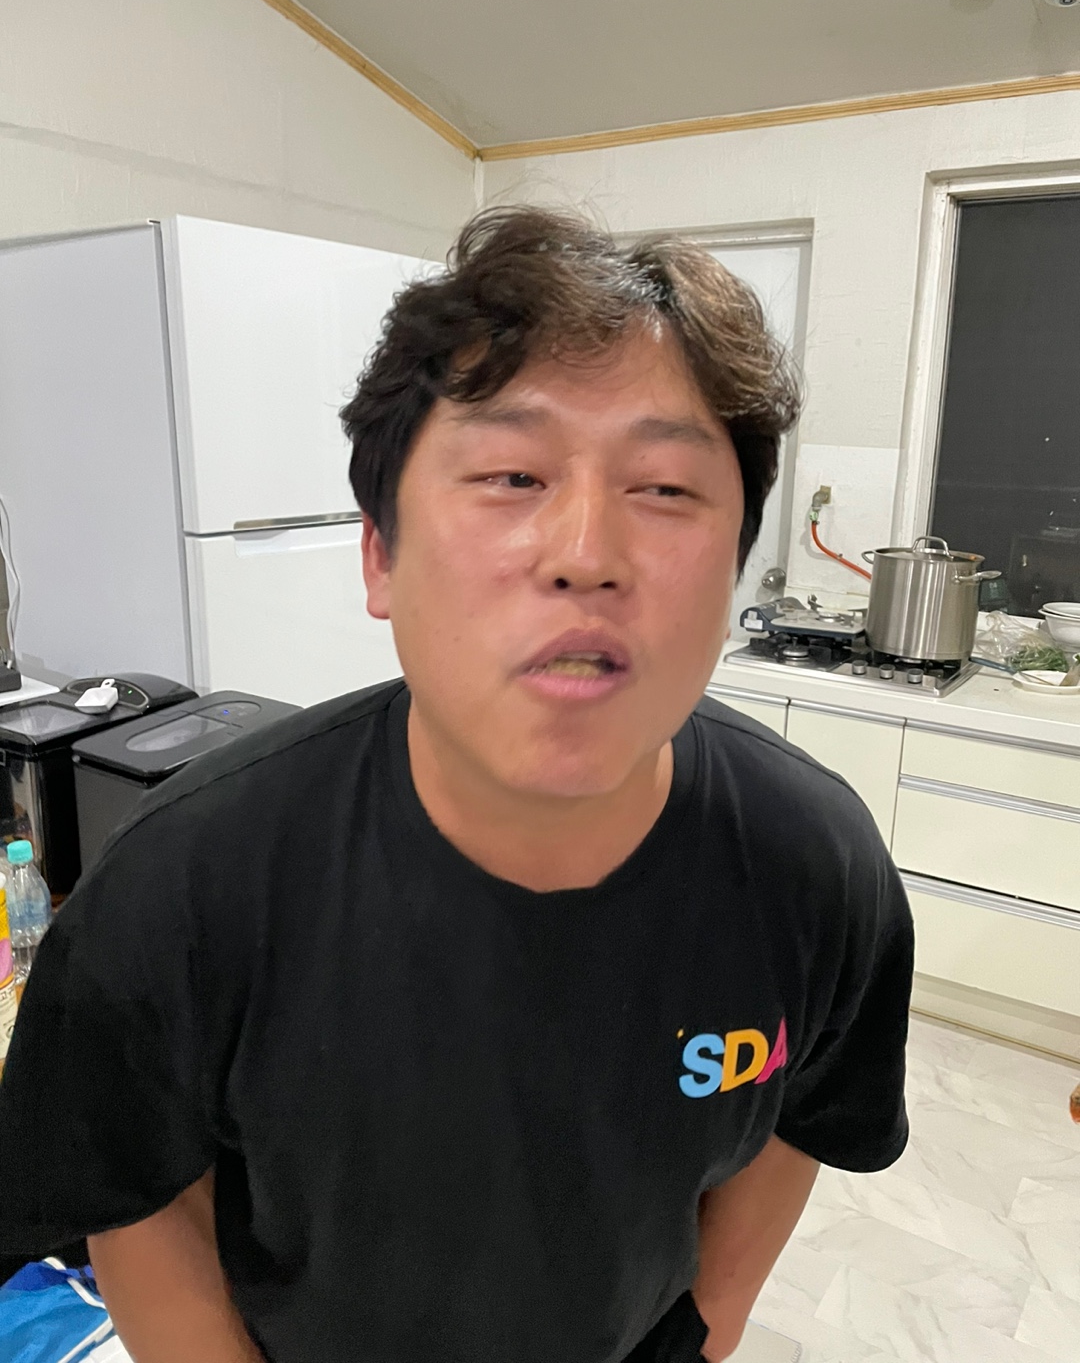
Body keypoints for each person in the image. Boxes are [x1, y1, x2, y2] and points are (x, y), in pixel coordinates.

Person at [0, 207, 913, 1363]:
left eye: (666, 489)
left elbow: (809, 1118)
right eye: (512, 474)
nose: (586, 552)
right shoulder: (180, 887)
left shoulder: (817, 868)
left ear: (733, 575)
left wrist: (704, 1332)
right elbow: (134, 1192)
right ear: (380, 554)